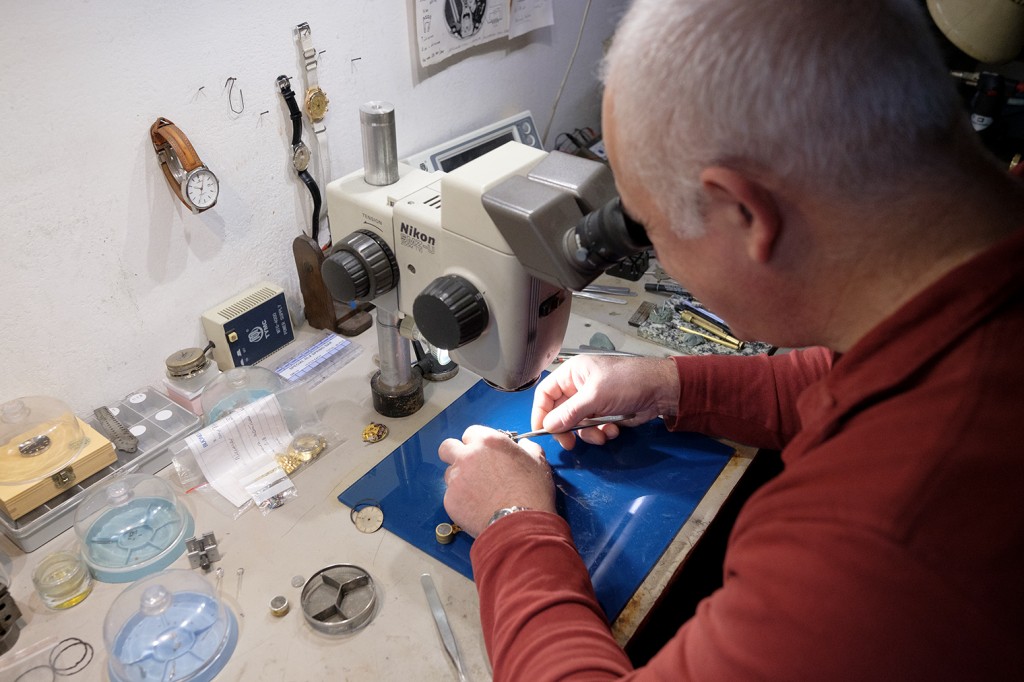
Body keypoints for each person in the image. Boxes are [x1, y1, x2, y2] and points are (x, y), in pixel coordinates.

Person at [438, 0, 1024, 678]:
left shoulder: (882, 537)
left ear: (745, 213)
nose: (656, 248)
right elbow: (856, 370)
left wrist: (513, 522)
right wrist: (669, 384)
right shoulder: (974, 274)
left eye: (650, 230)